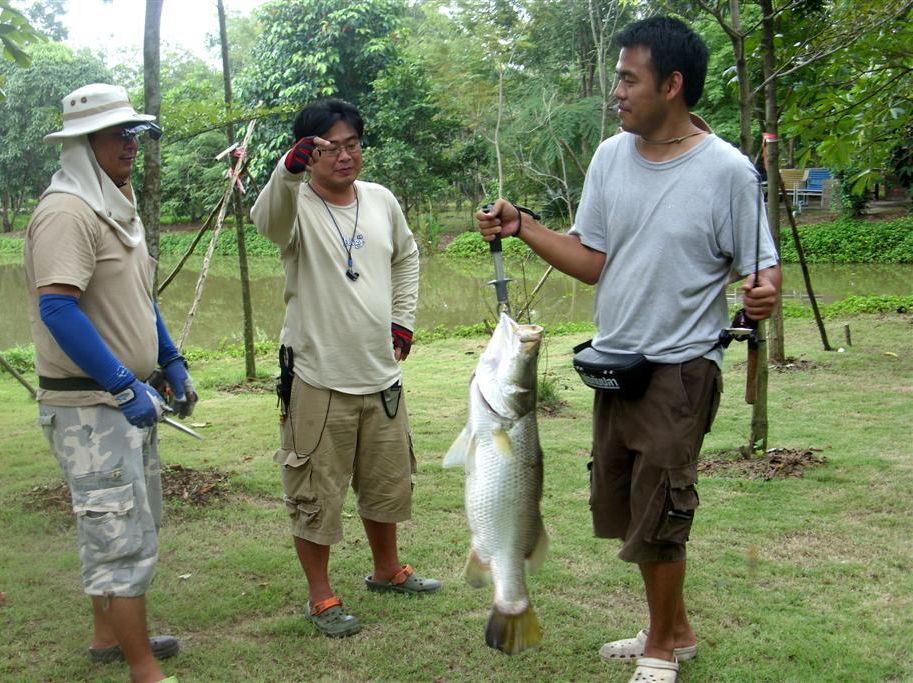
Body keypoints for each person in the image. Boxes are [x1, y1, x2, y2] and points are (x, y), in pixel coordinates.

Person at [477, 17, 781, 683]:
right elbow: (591, 260)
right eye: (617, 77)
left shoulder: (728, 171)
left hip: (682, 366)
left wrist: (762, 297)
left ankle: (662, 649)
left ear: (672, 85)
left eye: (627, 78)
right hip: (615, 364)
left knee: (663, 505)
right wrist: (522, 224)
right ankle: (676, 626)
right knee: (629, 507)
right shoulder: (612, 156)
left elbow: (763, 269)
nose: (615, 91)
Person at [24, 83, 195, 683]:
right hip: (92, 406)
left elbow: (138, 296)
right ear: (81, 143)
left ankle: (108, 638)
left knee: (124, 519)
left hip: (125, 401)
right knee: (119, 531)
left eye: (133, 133)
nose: (130, 144)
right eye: (116, 134)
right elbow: (58, 308)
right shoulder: (66, 211)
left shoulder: (114, 203)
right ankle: (142, 669)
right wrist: (123, 382)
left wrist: (169, 359)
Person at [251, 97, 440, 638]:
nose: (345, 156)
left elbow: (407, 256)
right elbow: (265, 219)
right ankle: (321, 596)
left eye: (353, 144)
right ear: (307, 153)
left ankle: (387, 570)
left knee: (386, 480)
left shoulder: (381, 200)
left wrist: (402, 319)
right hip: (316, 374)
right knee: (315, 489)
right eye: (331, 147)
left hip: (380, 371)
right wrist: (285, 170)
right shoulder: (294, 205)